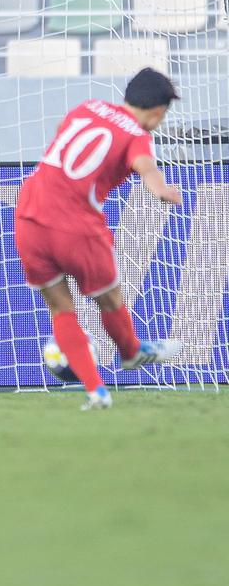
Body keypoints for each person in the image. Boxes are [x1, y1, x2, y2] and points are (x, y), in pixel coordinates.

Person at [14, 68, 184, 410]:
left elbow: (64, 140)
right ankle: (132, 352)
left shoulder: (86, 108)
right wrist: (161, 189)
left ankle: (96, 391)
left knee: (61, 308)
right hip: (76, 226)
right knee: (110, 299)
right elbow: (145, 166)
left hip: (29, 215)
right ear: (158, 111)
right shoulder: (137, 135)